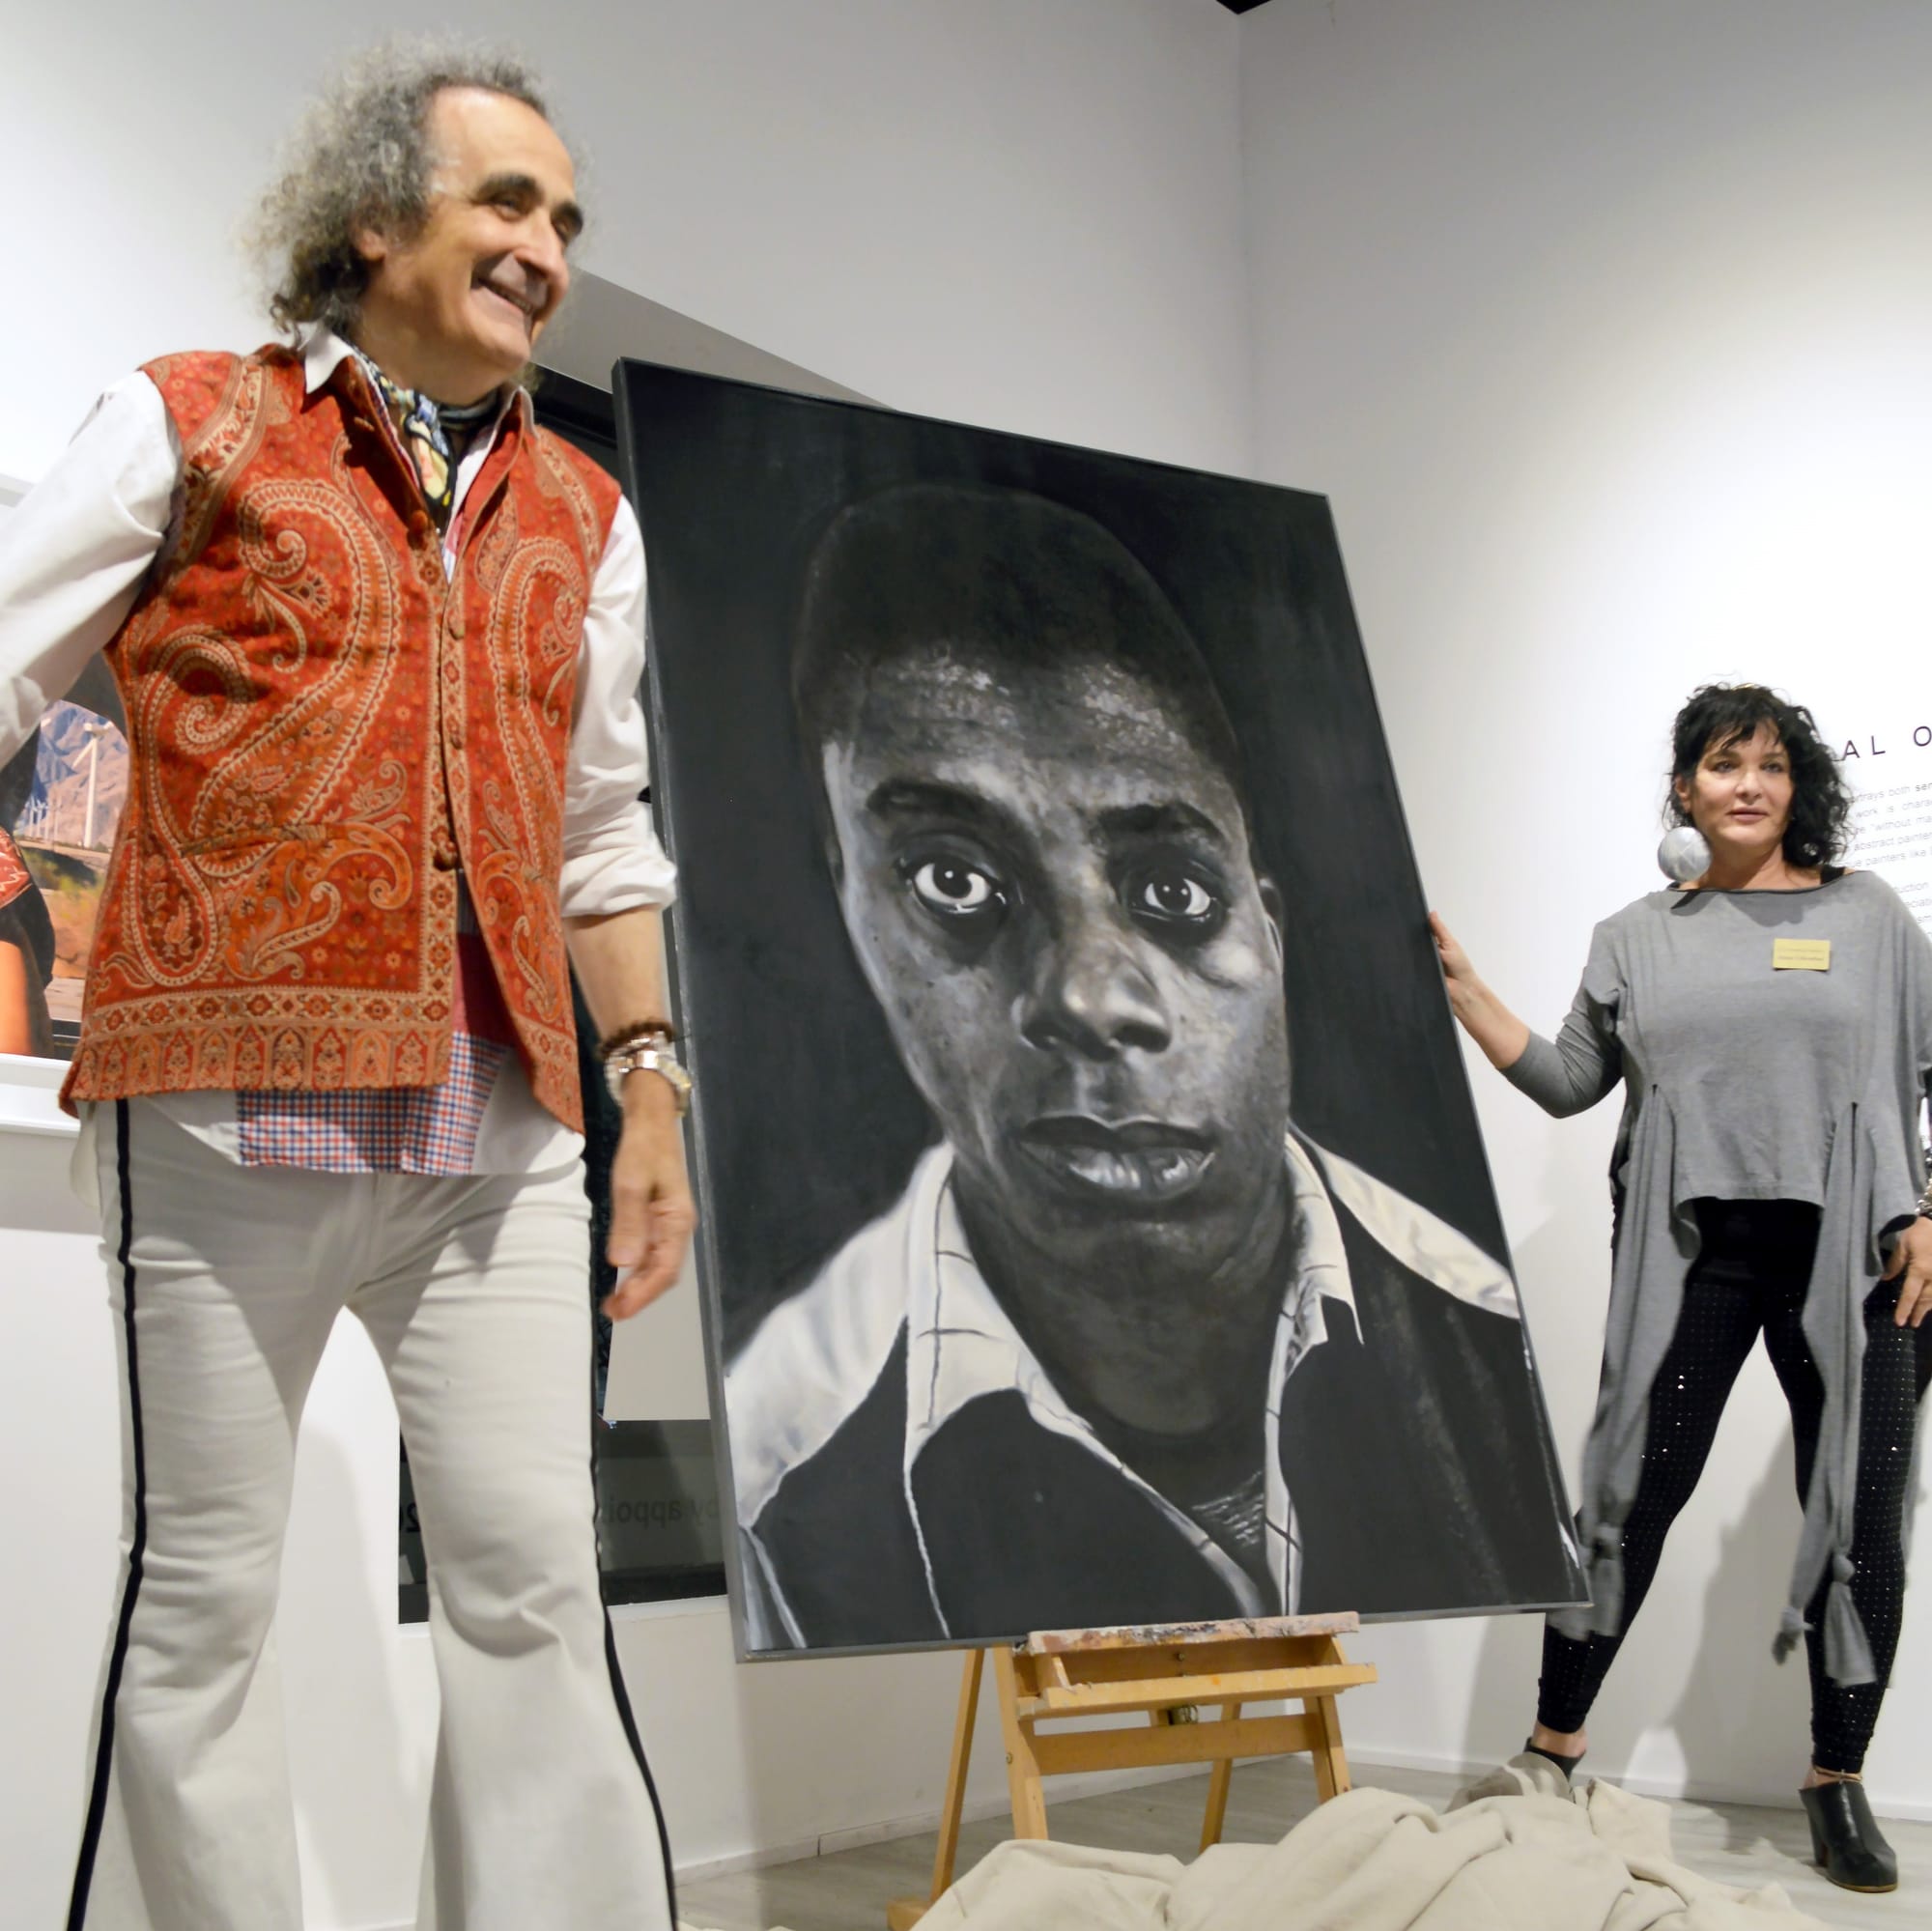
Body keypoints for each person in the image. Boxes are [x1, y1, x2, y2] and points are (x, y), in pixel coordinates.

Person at [0, 43, 696, 1929]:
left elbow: (605, 836)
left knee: (538, 1589)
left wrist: (648, 1084)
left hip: (504, 1137)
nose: (545, 245)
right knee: (206, 1595)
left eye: (564, 219)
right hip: (227, 1111)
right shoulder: (192, 419)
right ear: (375, 216)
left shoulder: (587, 517)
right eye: (505, 202)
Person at [725, 480, 1582, 1652]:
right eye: (953, 881)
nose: (1091, 1000)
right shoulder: (778, 1464)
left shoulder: (1486, 1330)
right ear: (849, 910)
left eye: (1173, 894)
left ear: (1268, 935)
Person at [1432, 683, 1932, 1895]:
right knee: (1622, 1499)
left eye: (1769, 765)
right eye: (1722, 763)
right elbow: (1564, 1081)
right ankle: (1553, 1750)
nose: (1747, 784)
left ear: (1796, 786)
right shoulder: (1633, 933)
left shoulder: (1866, 916)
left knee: (1857, 1528)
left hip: (1858, 1257)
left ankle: (1835, 1776)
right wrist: (1458, 983)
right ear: (1683, 786)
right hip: (1695, 1252)